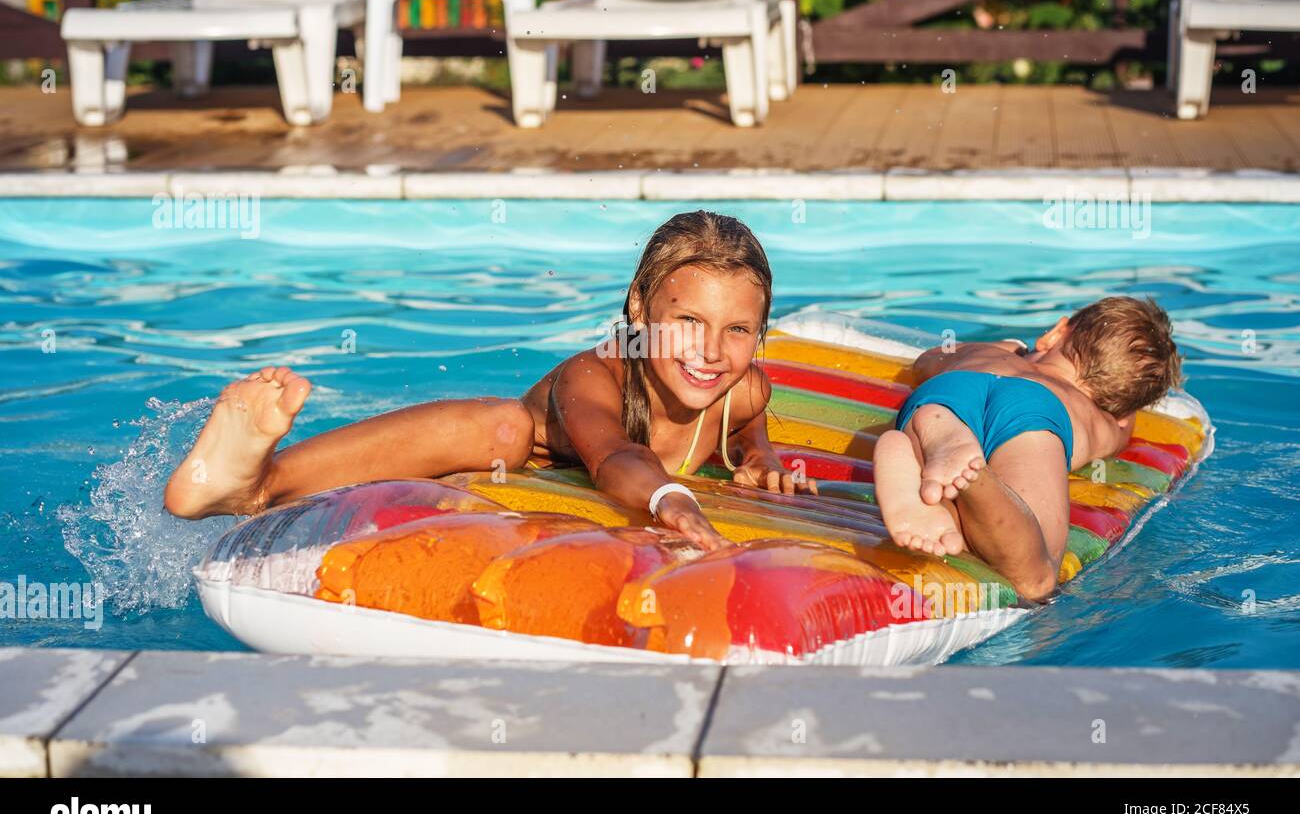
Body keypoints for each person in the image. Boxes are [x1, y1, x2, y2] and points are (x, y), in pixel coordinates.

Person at [164, 210, 814, 551]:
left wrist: (758, 455)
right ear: (640, 309)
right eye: (690, 321)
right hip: (521, 445)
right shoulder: (593, 375)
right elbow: (616, 454)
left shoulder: (745, 387)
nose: (712, 351)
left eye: (737, 329)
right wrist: (672, 499)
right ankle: (254, 481)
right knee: (499, 427)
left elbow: (751, 415)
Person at [874, 296, 1182, 601]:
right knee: (1036, 579)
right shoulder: (1105, 421)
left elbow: (926, 361)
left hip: (952, 388)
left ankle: (933, 451)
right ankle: (973, 480)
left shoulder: (987, 354)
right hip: (1036, 407)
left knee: (940, 418)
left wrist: (1008, 347)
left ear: (1055, 333)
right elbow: (1125, 428)